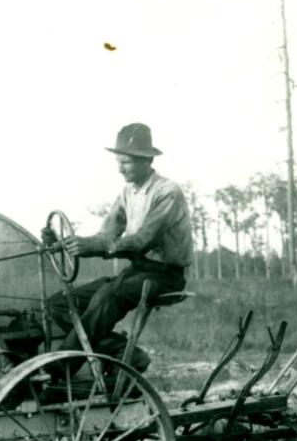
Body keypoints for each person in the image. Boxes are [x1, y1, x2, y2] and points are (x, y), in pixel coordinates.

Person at [46, 122, 193, 367]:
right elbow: (106, 236)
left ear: (146, 160)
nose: (120, 170)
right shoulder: (128, 192)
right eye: (118, 162)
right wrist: (67, 243)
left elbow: (142, 241)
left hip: (165, 276)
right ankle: (126, 354)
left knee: (107, 296)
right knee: (61, 303)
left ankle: (58, 372)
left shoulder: (167, 192)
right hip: (136, 273)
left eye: (126, 162)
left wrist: (96, 248)